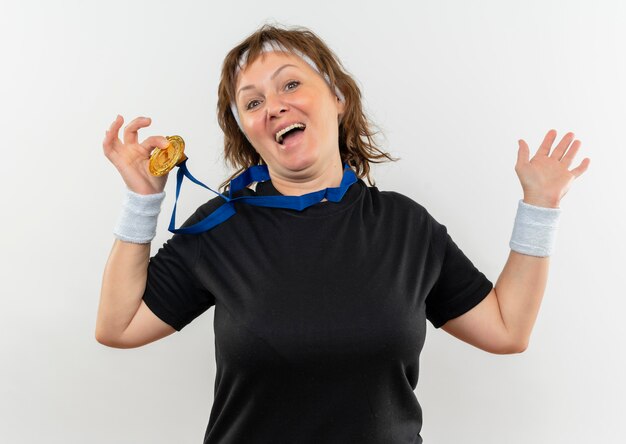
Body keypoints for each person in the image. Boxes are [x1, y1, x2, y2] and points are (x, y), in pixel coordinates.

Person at [96, 23, 590, 444]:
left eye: (290, 85)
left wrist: (539, 209)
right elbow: (118, 328)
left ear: (337, 97)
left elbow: (507, 329)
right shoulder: (219, 226)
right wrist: (144, 200)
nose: (273, 106)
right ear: (245, 129)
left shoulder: (405, 226)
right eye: (252, 102)